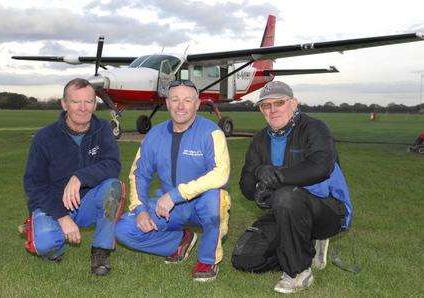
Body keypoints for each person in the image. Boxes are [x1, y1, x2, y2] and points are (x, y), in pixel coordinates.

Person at [232, 81, 352, 294]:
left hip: (328, 210)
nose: (273, 110)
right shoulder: (260, 139)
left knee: (286, 195)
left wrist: (276, 177)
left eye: (279, 102)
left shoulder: (315, 128)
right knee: (245, 258)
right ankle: (305, 247)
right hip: (285, 212)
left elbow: (321, 167)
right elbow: (246, 185)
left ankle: (298, 272)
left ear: (294, 103)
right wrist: (260, 176)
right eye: (265, 105)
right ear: (261, 110)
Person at [115, 79, 231, 282]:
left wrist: (176, 194)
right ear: (167, 103)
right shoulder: (154, 134)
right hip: (169, 209)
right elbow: (139, 174)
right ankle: (180, 240)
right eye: (175, 99)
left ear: (197, 104)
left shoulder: (212, 133)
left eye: (187, 100)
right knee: (124, 229)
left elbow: (220, 173)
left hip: (201, 203)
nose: (180, 106)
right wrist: (140, 209)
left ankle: (207, 259)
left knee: (216, 200)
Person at [22, 78, 123, 276]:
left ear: (95, 104)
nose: (83, 108)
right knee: (44, 243)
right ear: (64, 103)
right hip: (52, 204)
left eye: (89, 101)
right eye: (76, 101)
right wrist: (62, 217)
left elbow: (113, 165)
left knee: (113, 186)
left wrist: (79, 177)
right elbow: (34, 185)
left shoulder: (103, 130)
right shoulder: (45, 137)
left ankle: (101, 250)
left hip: (86, 203)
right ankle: (55, 248)